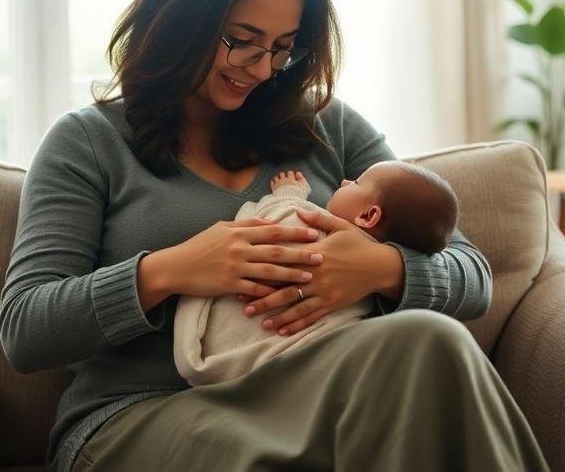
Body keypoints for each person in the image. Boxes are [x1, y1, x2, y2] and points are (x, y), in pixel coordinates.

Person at [0, 0, 547, 471]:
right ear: (183, 18)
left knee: (435, 343)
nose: (262, 69)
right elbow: (25, 328)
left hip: (314, 392)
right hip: (139, 416)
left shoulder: (327, 127)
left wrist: (380, 270)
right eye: (242, 40)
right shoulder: (87, 142)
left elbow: (472, 275)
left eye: (283, 47)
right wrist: (169, 270)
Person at [173, 163, 459, 386]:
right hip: (301, 376)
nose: (345, 181)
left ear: (369, 216)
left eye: (356, 182)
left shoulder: (310, 222)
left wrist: (289, 196)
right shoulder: (369, 298)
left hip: (252, 368)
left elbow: (267, 220)